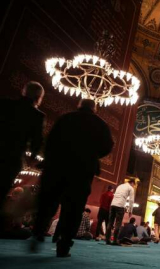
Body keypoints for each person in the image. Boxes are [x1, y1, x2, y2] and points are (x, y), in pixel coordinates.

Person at [32, 99, 113, 257]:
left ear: (79, 106)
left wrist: (48, 159)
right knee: (74, 208)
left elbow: (51, 140)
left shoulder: (66, 118)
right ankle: (64, 245)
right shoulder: (100, 124)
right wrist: (93, 155)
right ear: (94, 109)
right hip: (81, 171)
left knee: (49, 200)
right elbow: (108, 146)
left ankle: (39, 231)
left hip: (57, 166)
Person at [0, 81, 45, 212]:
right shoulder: (37, 115)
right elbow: (37, 141)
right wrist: (32, 159)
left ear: (23, 91)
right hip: (11, 158)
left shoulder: (4, 103)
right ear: (39, 98)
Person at [105, 179, 135, 245]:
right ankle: (115, 241)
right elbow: (131, 200)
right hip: (120, 205)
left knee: (110, 223)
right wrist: (130, 210)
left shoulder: (120, 186)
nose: (134, 187)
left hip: (112, 205)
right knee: (118, 224)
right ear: (132, 183)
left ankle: (107, 240)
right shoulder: (130, 188)